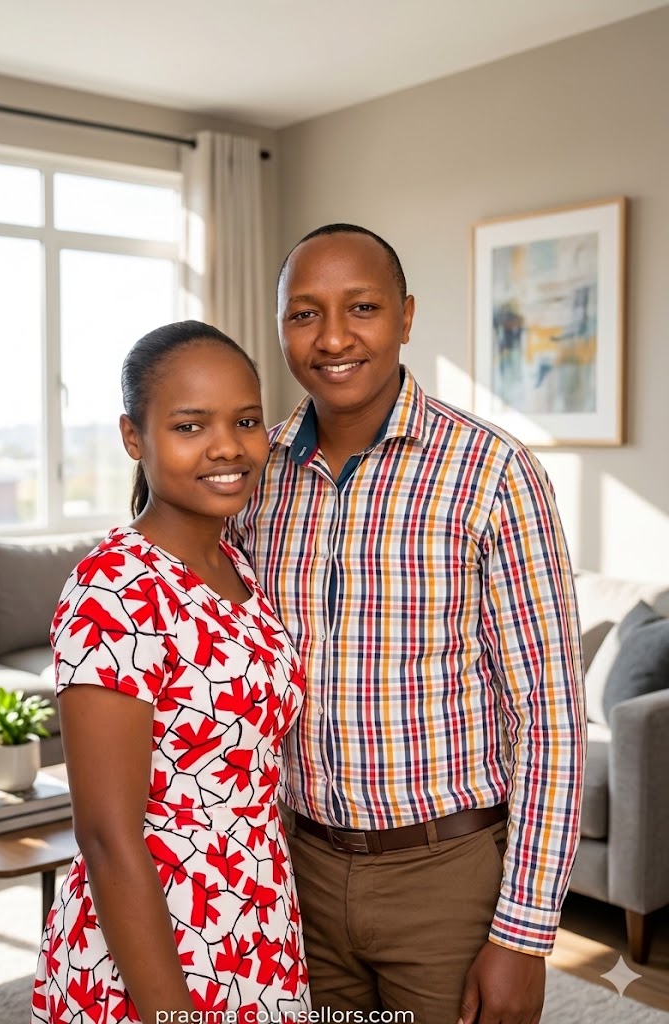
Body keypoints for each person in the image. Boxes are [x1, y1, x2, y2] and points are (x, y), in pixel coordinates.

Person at [230, 225, 587, 1024]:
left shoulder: (493, 473)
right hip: (297, 868)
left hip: (446, 876)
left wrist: (524, 937)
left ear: (406, 315)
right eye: (304, 313)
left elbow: (552, 719)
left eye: (361, 307)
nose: (332, 338)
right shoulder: (256, 477)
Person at [32, 321, 310, 1023]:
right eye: (191, 425)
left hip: (256, 924)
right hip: (157, 949)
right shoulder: (114, 589)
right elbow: (105, 833)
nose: (228, 446)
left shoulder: (236, 562)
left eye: (246, 421)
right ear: (135, 438)